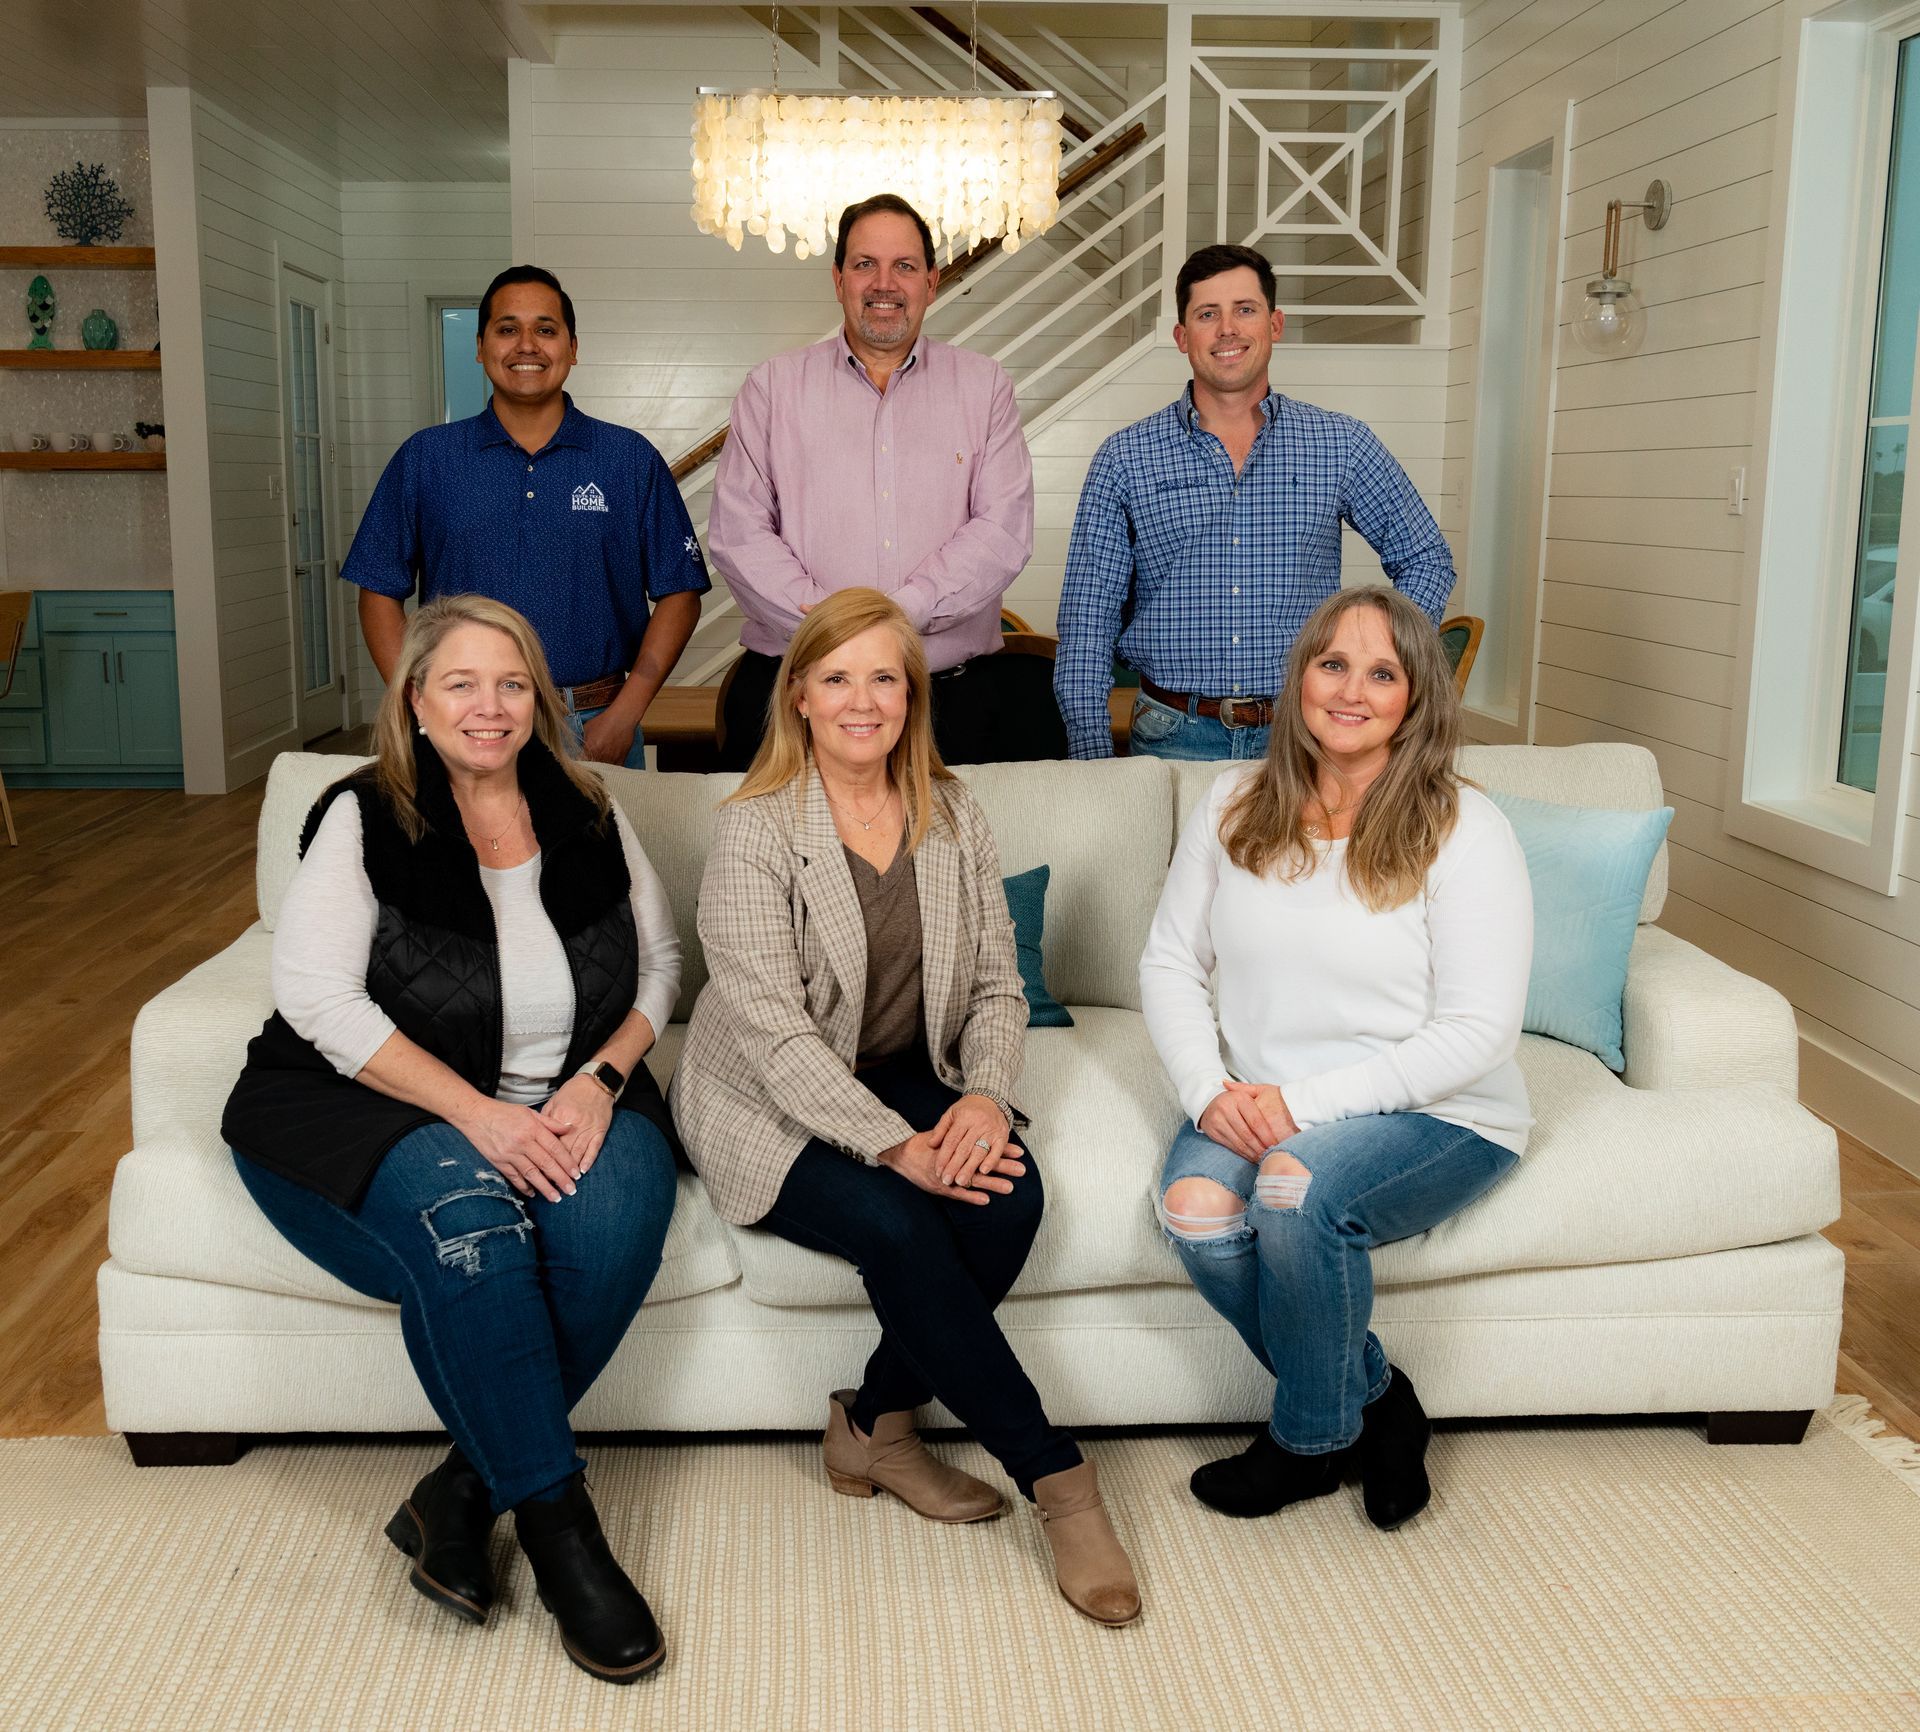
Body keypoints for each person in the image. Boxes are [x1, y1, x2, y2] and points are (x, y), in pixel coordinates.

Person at [222, 595, 683, 1685]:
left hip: (574, 1092)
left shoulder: (585, 807)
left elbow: (662, 967)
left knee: (616, 1222)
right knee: (472, 1223)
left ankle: (462, 1490)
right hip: (377, 1103)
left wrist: (604, 1080)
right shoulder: (364, 813)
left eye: (513, 682)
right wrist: (479, 1116)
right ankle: (564, 1530)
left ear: (541, 700)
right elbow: (320, 1002)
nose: (490, 706)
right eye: (461, 683)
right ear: (416, 701)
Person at [669, 587, 1140, 1625]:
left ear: (912, 694)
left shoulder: (954, 809)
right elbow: (777, 1036)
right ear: (797, 696)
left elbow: (994, 986)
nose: (862, 699)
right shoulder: (753, 831)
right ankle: (1059, 1484)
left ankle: (875, 1423)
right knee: (899, 1221)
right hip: (762, 1093)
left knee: (1008, 1199)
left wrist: (981, 1098)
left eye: (886, 676)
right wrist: (898, 1150)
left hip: (898, 1068)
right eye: (837, 677)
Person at [1139, 586, 1531, 1529]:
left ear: (1416, 698)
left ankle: (1308, 1443)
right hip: (1258, 1096)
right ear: (1300, 678)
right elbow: (1167, 962)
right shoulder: (1232, 801)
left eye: (1382, 672)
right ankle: (1382, 1403)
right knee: (1193, 1208)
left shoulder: (1466, 829)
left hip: (1437, 1111)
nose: (1351, 690)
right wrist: (1207, 1089)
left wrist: (1297, 1108)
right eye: (1332, 663)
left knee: (1293, 1189)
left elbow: (1479, 1033)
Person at [1054, 244, 1457, 763]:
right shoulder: (1125, 458)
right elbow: (1088, 620)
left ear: (1275, 324)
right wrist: (1090, 756)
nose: (1228, 329)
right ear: (1182, 337)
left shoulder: (1340, 444)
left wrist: (1369, 666)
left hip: (1306, 735)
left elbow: (1427, 559)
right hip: (1172, 736)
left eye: (1245, 309)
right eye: (1207, 314)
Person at [707, 193, 1055, 768]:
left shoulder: (985, 387)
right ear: (838, 279)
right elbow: (740, 537)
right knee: (785, 857)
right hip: (798, 696)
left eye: (905, 266)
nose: (884, 283)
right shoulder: (771, 389)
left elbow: (1001, 533)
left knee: (948, 858)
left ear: (932, 282)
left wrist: (893, 618)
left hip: (949, 701)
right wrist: (838, 640)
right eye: (865, 264)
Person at [344, 265, 709, 768]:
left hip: (593, 724)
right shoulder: (427, 458)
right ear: (480, 346)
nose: (527, 345)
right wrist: (420, 709)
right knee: (468, 850)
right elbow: (378, 590)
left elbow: (680, 594)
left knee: (601, 850)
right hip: (465, 724)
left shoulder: (628, 459)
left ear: (572, 348)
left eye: (545, 329)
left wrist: (625, 714)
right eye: (507, 329)